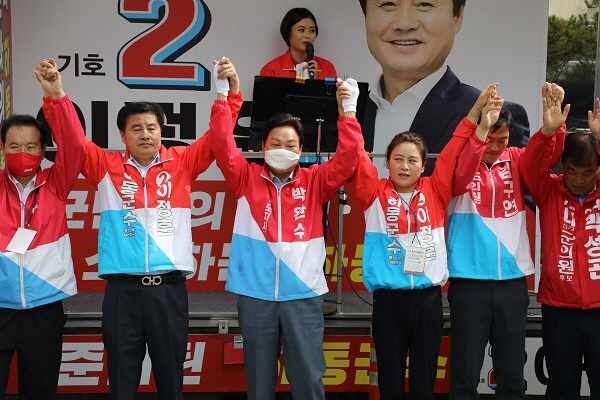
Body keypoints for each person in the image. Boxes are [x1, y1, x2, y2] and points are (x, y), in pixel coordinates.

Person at [41, 58, 243, 399]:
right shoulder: (104, 165)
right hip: (122, 292)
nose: (145, 134)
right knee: (122, 382)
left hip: (168, 290)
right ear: (122, 135)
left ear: (161, 132)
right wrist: (57, 97)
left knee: (170, 382)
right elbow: (74, 143)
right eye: (136, 128)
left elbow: (217, 140)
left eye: (151, 127)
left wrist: (228, 95)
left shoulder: (181, 162)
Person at [210, 61, 360, 399]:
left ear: (302, 150)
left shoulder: (316, 180)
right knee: (259, 385)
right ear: (263, 147)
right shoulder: (245, 177)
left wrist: (347, 112)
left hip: (303, 296)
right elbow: (221, 144)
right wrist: (225, 95)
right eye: (275, 142)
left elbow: (349, 158)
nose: (282, 149)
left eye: (290, 144)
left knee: (307, 380)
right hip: (255, 297)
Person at [352, 85, 503, 398]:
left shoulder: (436, 190)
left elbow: (453, 149)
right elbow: (356, 153)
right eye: (397, 159)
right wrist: (348, 114)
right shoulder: (374, 194)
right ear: (387, 163)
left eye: (411, 161)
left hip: (428, 300)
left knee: (424, 382)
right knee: (390, 381)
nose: (404, 166)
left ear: (423, 166)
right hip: (388, 302)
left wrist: (477, 119)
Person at [446, 83, 566, 399]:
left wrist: (550, 132)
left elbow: (542, 158)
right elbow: (457, 182)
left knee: (512, 372)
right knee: (465, 372)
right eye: (490, 140)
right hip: (468, 280)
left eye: (504, 140)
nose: (497, 147)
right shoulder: (461, 158)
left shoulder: (516, 159)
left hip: (512, 282)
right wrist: (478, 133)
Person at [0, 59, 85, 398]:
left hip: (44, 308)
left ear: (43, 150)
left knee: (40, 390)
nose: (23, 153)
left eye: (31, 147)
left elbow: (76, 146)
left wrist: (56, 96)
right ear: (4, 149)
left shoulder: (56, 183)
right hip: (0, 309)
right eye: (14, 146)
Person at [356, 0, 529, 158]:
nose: (404, 24)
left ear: (458, 16)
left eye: (424, 4)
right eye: (388, 3)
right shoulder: (344, 116)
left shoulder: (494, 117)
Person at [521, 92, 600, 399]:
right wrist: (547, 134)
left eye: (588, 172)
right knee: (561, 386)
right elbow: (529, 167)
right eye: (572, 171)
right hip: (559, 308)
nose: (579, 180)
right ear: (562, 167)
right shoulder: (549, 190)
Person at [260, 7, 337, 80]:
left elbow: (333, 93)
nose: (308, 36)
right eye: (301, 30)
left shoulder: (327, 67)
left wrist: (315, 82)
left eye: (312, 30)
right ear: (288, 33)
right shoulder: (271, 70)